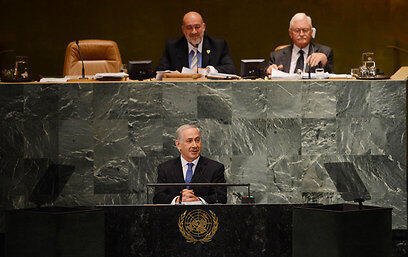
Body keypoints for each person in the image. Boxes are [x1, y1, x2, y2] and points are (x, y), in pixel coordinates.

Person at [153, 124, 227, 204]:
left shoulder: (215, 168)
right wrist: (178, 200)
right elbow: (158, 197)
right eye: (189, 141)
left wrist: (198, 200)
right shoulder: (165, 168)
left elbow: (221, 197)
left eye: (197, 140)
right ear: (178, 144)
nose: (195, 145)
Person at [155, 11, 236, 74]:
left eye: (197, 27)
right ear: (183, 30)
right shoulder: (172, 46)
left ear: (203, 27)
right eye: (189, 27)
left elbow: (231, 69)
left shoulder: (218, 45)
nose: (194, 32)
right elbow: (160, 71)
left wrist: (208, 70)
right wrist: (171, 74)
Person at [267, 13, 334, 75]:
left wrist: (324, 63)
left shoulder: (325, 52)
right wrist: (269, 71)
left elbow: (332, 81)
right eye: (297, 31)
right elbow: (265, 78)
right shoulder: (277, 55)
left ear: (311, 32)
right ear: (290, 33)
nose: (301, 34)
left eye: (305, 30)